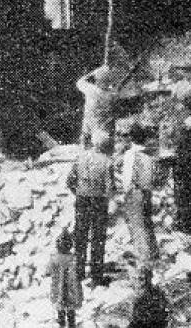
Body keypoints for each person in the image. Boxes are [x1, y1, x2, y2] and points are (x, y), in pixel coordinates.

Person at [67, 130, 114, 286]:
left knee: (80, 235)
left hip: (82, 199)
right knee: (98, 238)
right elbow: (110, 187)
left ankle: (79, 271)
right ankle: (96, 275)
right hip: (99, 201)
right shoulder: (107, 162)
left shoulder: (80, 158)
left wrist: (78, 192)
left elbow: (70, 181)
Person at [122, 123, 158, 269]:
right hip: (147, 192)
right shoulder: (149, 155)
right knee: (147, 223)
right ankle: (153, 256)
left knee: (137, 226)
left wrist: (126, 192)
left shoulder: (131, 155)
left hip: (135, 192)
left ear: (131, 138)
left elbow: (128, 178)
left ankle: (144, 260)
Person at [46, 229, 83, 328]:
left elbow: (48, 271)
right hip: (71, 287)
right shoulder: (74, 258)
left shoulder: (54, 258)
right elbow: (79, 271)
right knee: (71, 311)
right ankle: (71, 325)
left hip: (60, 287)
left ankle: (62, 324)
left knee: (61, 310)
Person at [76, 65, 117, 144]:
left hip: (89, 125)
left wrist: (93, 72)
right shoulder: (112, 94)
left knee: (85, 146)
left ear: (97, 80)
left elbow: (79, 82)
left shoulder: (91, 89)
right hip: (102, 129)